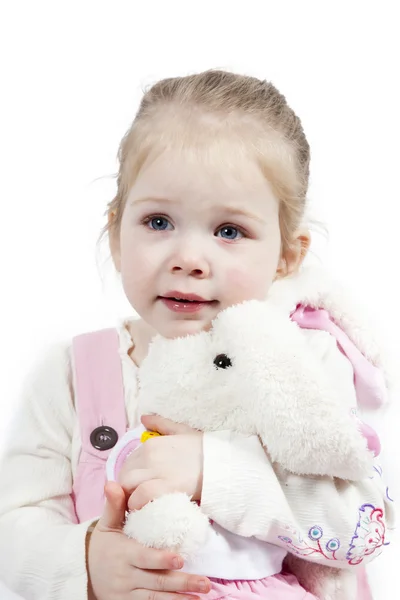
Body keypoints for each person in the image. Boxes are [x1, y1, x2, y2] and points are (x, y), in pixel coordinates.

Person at [0, 69, 394, 600]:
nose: (188, 259)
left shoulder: (303, 362)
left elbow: (364, 523)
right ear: (116, 233)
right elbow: (14, 526)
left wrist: (218, 473)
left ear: (286, 256)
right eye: (158, 222)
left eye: (229, 231)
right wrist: (87, 562)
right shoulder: (74, 373)